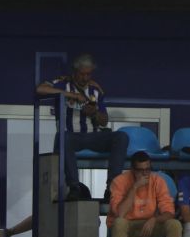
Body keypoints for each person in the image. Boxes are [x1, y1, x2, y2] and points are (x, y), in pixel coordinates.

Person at [37, 53, 125, 199]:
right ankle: (74, 187)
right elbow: (40, 89)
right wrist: (69, 95)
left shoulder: (95, 90)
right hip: (71, 136)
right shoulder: (62, 84)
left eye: (88, 74)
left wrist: (95, 113)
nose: (85, 78)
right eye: (82, 74)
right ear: (75, 72)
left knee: (121, 137)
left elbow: (104, 121)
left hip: (94, 136)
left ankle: (112, 187)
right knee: (62, 137)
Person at [105, 150, 181, 237]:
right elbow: (120, 214)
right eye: (141, 170)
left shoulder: (158, 180)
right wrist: (134, 187)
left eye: (148, 169)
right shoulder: (119, 181)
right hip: (129, 227)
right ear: (132, 170)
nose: (145, 174)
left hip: (150, 225)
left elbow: (169, 212)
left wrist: (155, 219)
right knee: (119, 223)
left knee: (174, 224)